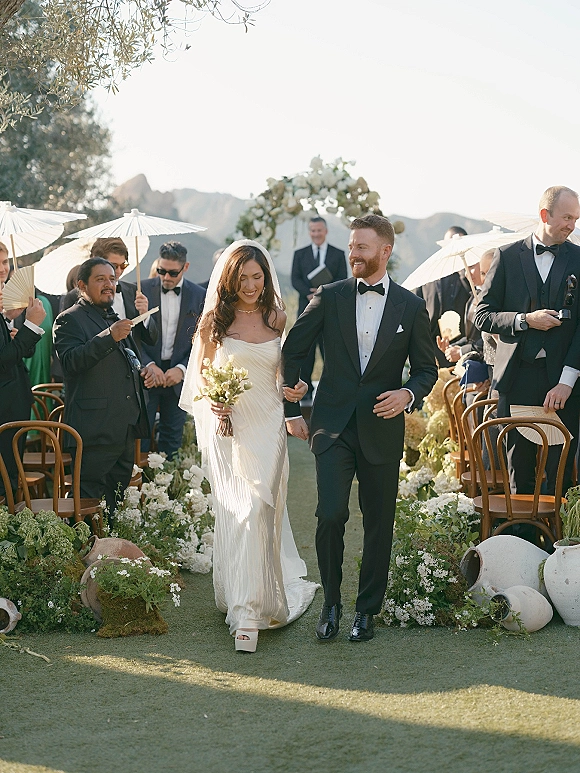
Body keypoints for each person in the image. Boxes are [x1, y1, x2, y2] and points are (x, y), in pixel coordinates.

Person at [283, 214, 437, 642]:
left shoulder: (411, 304)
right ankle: (331, 604)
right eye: (351, 246)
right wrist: (292, 396)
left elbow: (426, 370)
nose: (352, 253)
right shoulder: (329, 296)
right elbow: (295, 346)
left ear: (384, 251)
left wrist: (408, 395)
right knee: (330, 514)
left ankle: (366, 611)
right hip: (332, 427)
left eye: (362, 248)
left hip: (383, 429)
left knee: (379, 523)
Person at [179, 239, 319, 653]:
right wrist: (216, 400)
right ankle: (244, 611)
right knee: (238, 512)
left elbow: (284, 373)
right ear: (229, 280)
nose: (251, 285)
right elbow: (200, 376)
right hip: (230, 424)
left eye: (257, 277)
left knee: (261, 508)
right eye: (243, 278)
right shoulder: (213, 323)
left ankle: (257, 602)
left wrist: (297, 390)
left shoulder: (278, 317)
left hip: (269, 423)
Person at [475, 185, 580, 496]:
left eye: (575, 219)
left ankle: (562, 544)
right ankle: (521, 540)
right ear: (545, 214)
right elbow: (482, 315)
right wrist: (524, 320)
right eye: (566, 217)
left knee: (561, 475)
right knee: (519, 471)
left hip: (564, 383)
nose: (571, 225)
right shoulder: (506, 257)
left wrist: (567, 381)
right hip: (517, 378)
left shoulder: (579, 258)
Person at [53, 258, 150, 516]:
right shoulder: (68, 320)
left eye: (112, 279)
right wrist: (110, 336)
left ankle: (109, 554)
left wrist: (142, 373)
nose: (109, 284)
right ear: (81, 285)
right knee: (86, 504)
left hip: (123, 427)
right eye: (101, 279)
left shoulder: (114, 317)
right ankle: (80, 554)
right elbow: (72, 362)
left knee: (114, 505)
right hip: (93, 431)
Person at [140, 241, 206, 458]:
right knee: (140, 439)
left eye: (172, 273)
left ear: (185, 268)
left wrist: (182, 369)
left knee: (172, 440)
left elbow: (202, 341)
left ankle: (168, 489)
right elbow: (132, 337)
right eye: (161, 271)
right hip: (146, 376)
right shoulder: (140, 290)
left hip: (178, 379)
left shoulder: (199, 295)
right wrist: (148, 365)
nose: (166, 277)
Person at [0, 241, 47, 495]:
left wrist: (8, 320)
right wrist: (30, 325)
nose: (2, 269)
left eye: (4, 262)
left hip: (13, 403)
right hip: (3, 407)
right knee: (5, 474)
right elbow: (4, 358)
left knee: (11, 469)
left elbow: (13, 352)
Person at [291, 217, 347, 400]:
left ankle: (332, 390)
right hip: (306, 309)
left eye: (319, 230)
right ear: (309, 232)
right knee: (306, 351)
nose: (316, 234)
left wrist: (323, 292)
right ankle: (306, 392)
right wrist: (309, 292)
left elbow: (342, 279)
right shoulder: (300, 254)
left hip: (329, 310)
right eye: (313, 231)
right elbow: (295, 278)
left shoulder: (338, 254)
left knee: (329, 349)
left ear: (326, 231)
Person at [89, 238, 158, 363]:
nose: (119, 271)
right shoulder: (79, 297)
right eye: (114, 266)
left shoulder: (133, 291)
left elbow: (151, 340)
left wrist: (145, 315)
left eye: (123, 265)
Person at [415, 226, 472, 367]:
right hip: (433, 345)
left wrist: (463, 272)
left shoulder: (472, 275)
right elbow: (418, 307)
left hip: (464, 345)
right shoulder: (429, 275)